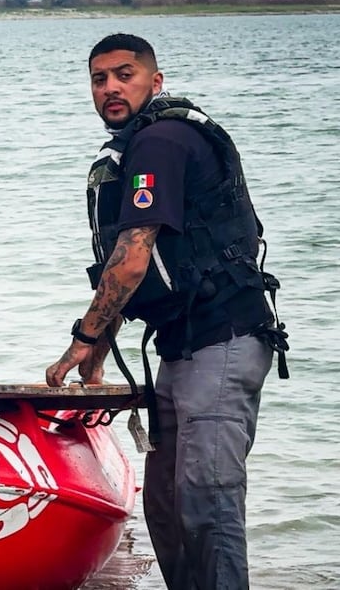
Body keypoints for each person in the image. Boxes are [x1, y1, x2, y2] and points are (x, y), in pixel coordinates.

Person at [45, 33, 289, 589]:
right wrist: (101, 349)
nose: (110, 87)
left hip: (224, 338)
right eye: (98, 78)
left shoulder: (161, 143)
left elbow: (132, 260)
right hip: (180, 343)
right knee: (166, 506)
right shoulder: (135, 148)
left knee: (207, 500)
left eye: (124, 74)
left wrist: (85, 338)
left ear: (155, 82)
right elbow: (140, 271)